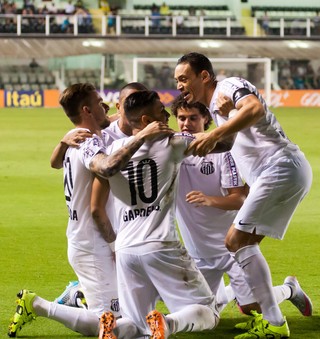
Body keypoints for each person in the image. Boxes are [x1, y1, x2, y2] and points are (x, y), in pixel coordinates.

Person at [8, 84, 170, 338]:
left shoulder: (79, 136)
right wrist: (115, 245)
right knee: (111, 325)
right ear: (87, 109)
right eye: (98, 101)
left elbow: (55, 162)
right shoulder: (89, 144)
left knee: (126, 314)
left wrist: (63, 141)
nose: (104, 104)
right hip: (93, 242)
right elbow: (98, 201)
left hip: (85, 238)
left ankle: (78, 293)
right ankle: (37, 305)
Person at [174, 52, 313, 339]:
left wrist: (214, 132)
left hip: (279, 167)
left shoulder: (228, 86)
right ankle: (283, 297)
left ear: (204, 76)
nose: (179, 85)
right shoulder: (217, 108)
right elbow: (226, 142)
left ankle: (275, 325)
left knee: (234, 241)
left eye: (184, 78)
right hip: (281, 171)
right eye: (176, 80)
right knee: (244, 249)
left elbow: (255, 110)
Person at [94, 90, 220, 339]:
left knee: (136, 325)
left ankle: (114, 328)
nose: (165, 113)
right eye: (159, 109)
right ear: (144, 120)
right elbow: (223, 142)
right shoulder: (173, 143)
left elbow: (107, 169)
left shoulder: (115, 149)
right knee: (209, 312)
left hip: (126, 249)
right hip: (161, 245)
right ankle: (167, 323)